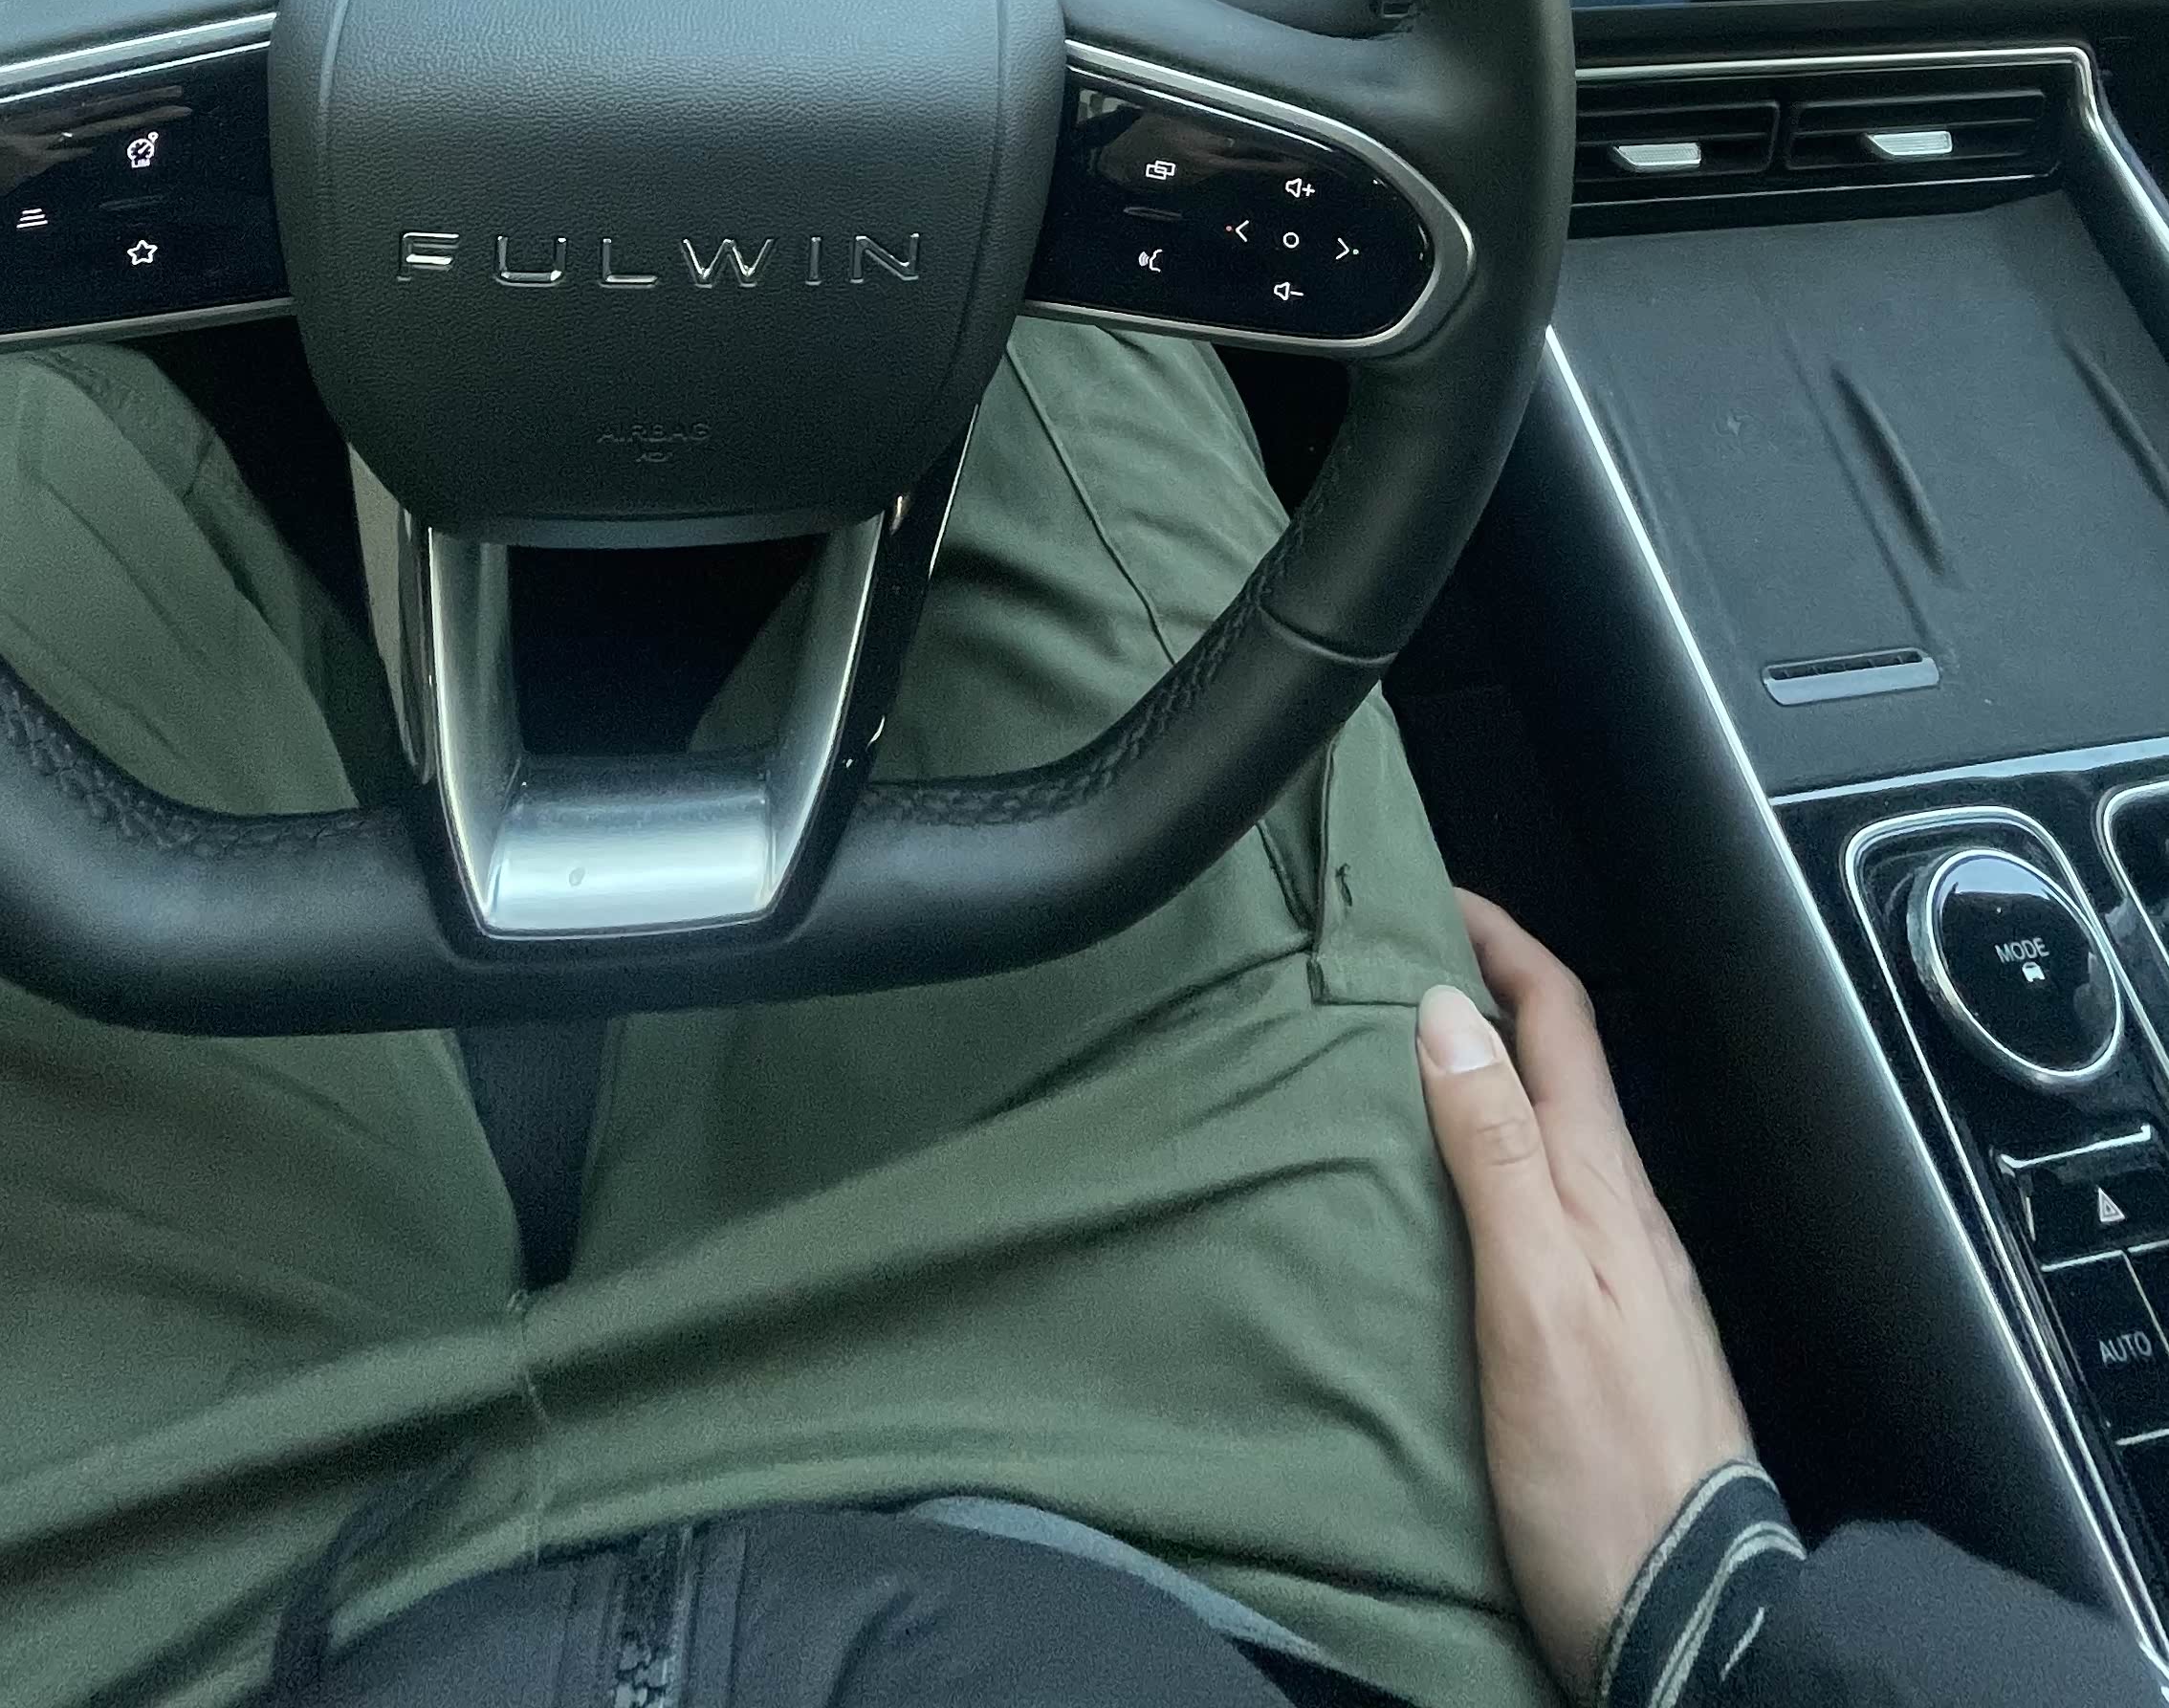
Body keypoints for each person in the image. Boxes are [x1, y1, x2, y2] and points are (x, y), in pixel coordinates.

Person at [0, 327, 2154, 1705]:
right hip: (1220, 1572)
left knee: (41, 438)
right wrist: (1725, 1632)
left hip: (128, 1613)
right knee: (1060, 328)